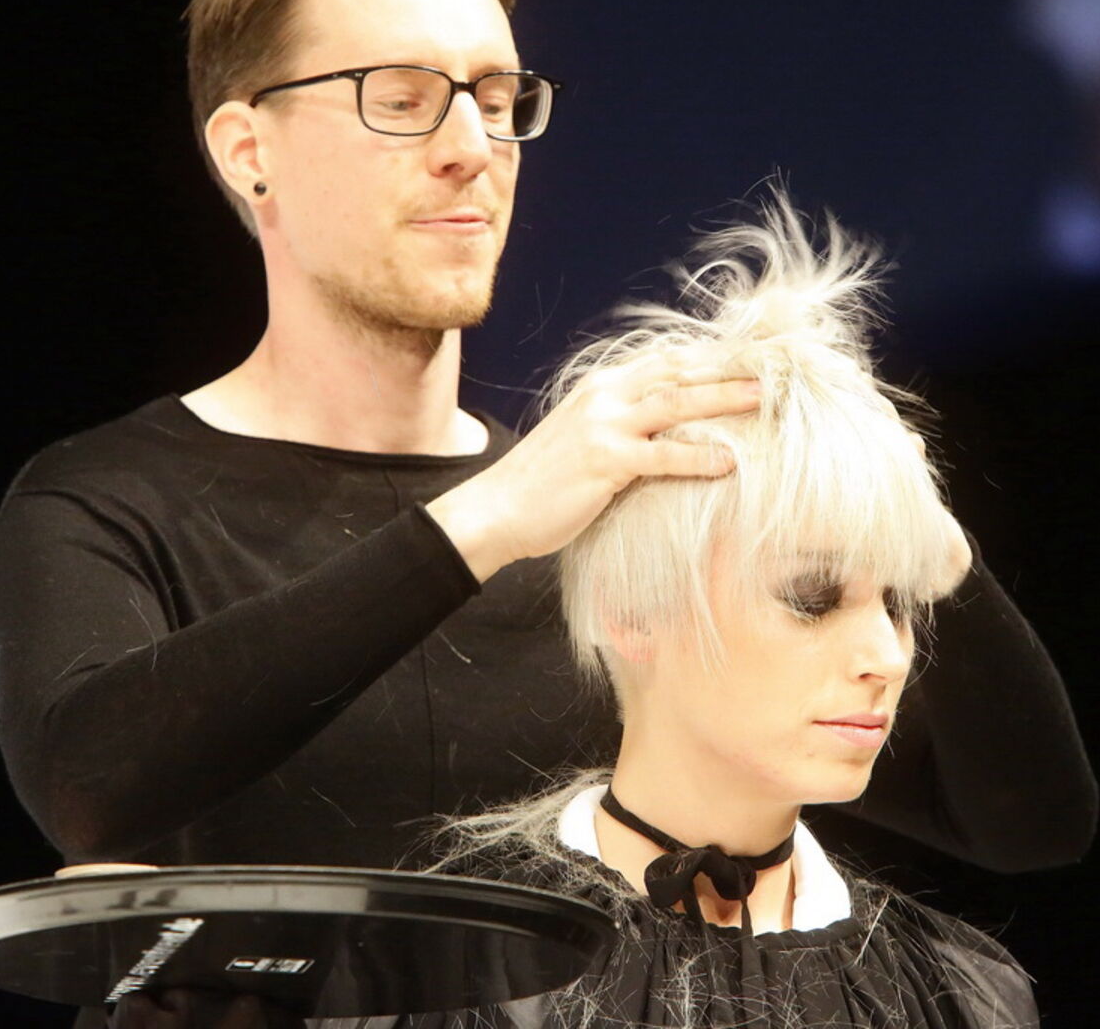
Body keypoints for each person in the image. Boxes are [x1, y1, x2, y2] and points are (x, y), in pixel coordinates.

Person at [0, 0, 1093, 1023]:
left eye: (497, 96)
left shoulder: (612, 522)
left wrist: (912, 522)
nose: (472, 144)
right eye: (401, 97)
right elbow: (89, 778)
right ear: (248, 149)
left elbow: (1026, 819)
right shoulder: (109, 499)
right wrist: (488, 519)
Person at [364, 195, 1041, 1028]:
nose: (887, 656)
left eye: (899, 603)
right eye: (811, 598)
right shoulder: (452, 971)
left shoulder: (957, 993)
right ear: (631, 611)